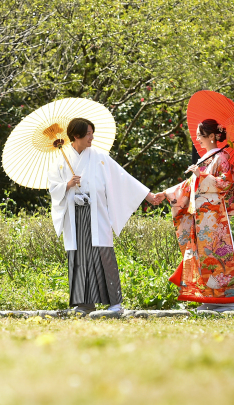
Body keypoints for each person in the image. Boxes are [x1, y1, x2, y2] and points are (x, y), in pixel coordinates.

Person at [48, 117, 161, 314]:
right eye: (88, 134)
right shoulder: (60, 160)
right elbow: (52, 187)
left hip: (96, 212)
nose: (92, 137)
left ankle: (115, 303)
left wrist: (148, 196)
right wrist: (68, 184)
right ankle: (84, 303)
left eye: (92, 133)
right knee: (79, 257)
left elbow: (122, 177)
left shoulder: (99, 156)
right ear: (76, 135)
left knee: (103, 255)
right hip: (74, 215)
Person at [150, 119, 234, 312]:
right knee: (203, 257)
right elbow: (189, 185)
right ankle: (210, 299)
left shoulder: (221, 157)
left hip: (214, 216)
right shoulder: (207, 158)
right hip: (200, 215)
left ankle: (230, 300)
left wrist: (201, 175)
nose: (197, 139)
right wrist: (167, 193)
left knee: (217, 254)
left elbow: (225, 183)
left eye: (200, 135)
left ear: (212, 136)